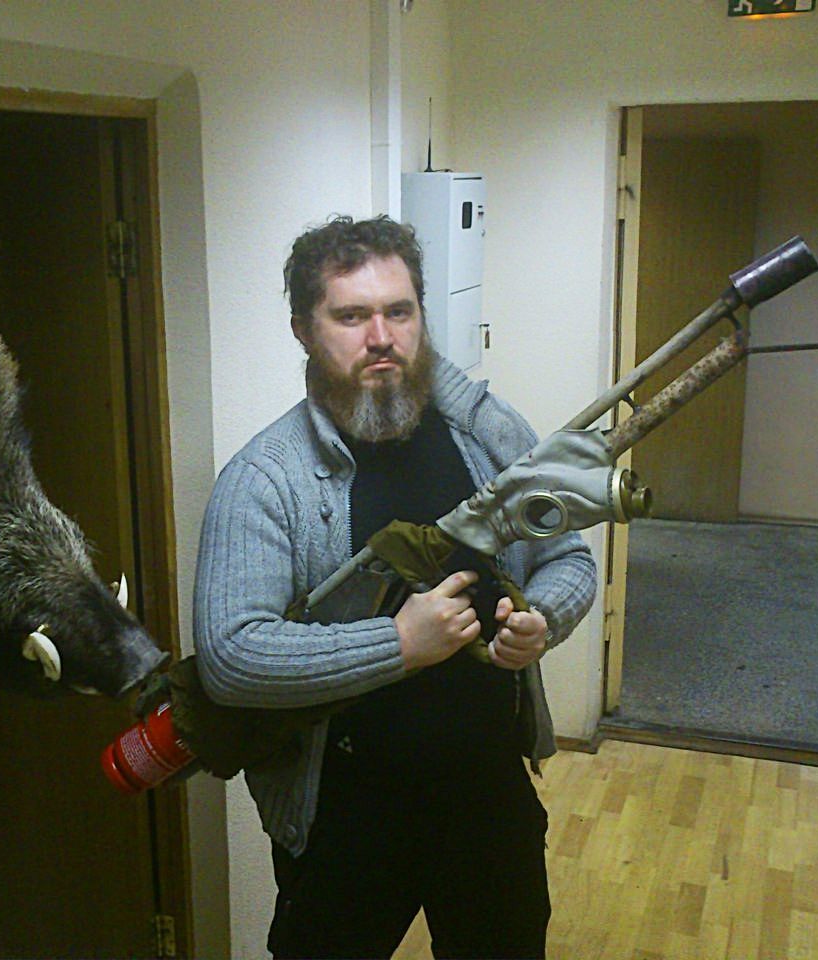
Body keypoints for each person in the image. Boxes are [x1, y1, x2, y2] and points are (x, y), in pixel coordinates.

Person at [193, 215, 596, 959]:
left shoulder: (483, 441)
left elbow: (569, 554)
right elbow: (231, 654)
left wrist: (545, 617)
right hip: (346, 818)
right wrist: (400, 645)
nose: (381, 335)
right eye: (351, 315)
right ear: (304, 331)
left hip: (486, 794)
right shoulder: (265, 479)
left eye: (399, 311)